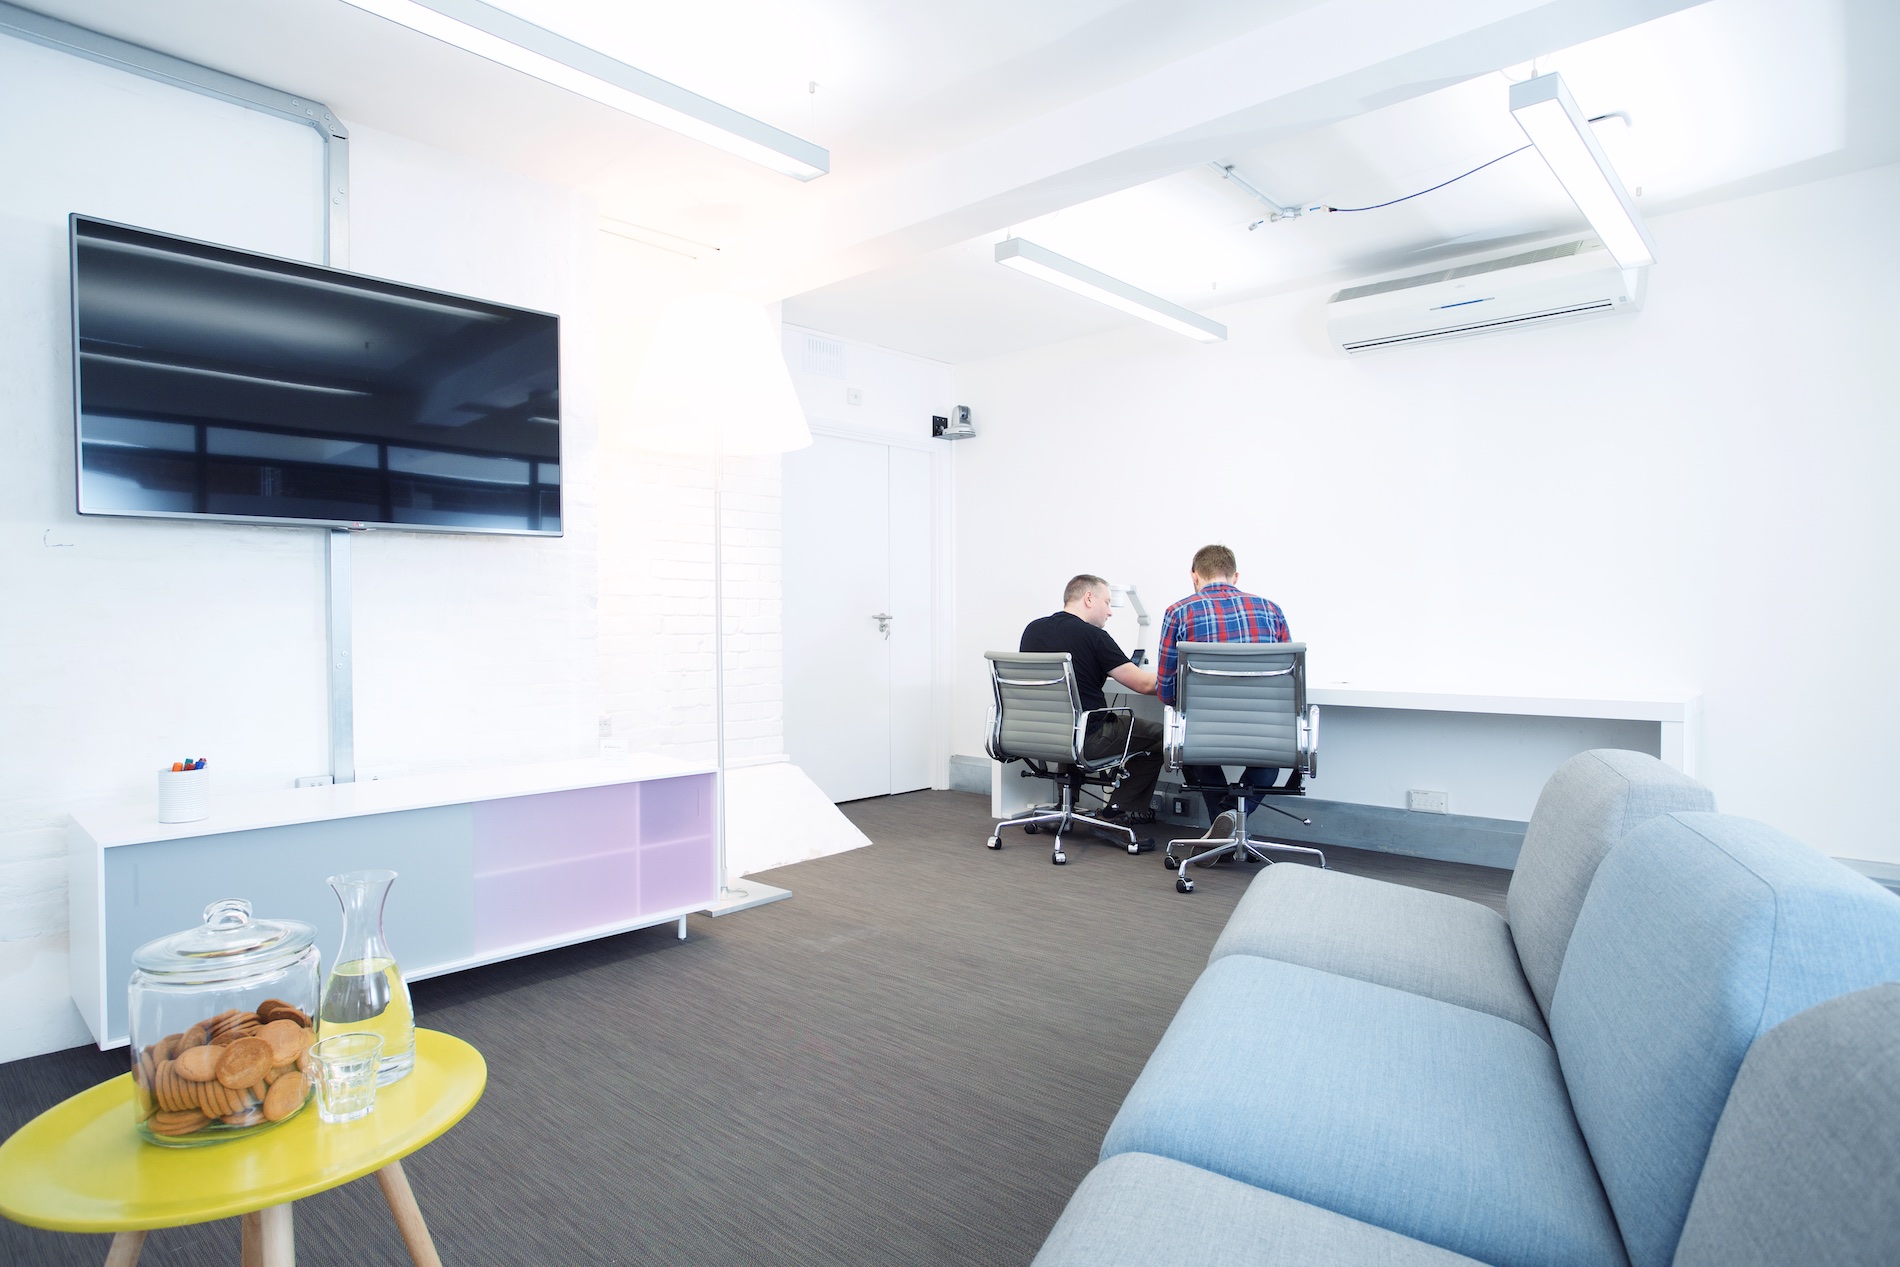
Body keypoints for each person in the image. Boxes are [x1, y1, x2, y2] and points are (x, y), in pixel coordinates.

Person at [1156, 544, 1291, 831]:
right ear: (1235, 576)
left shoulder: (1178, 612)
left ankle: (1222, 823)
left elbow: (1167, 690)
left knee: (1190, 749)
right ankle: (1230, 818)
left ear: (1194, 576)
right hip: (1262, 731)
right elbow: (1286, 683)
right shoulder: (1271, 610)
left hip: (1204, 732)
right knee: (1270, 758)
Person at [1018, 574, 1163, 827]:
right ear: (1088, 598)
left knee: (1073, 719)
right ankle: (1117, 810)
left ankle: (1066, 805)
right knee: (1163, 737)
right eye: (1107, 602)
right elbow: (1143, 684)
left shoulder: (1032, 630)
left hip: (1039, 733)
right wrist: (1179, 676)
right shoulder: (1094, 636)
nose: (1110, 612)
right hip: (1087, 738)